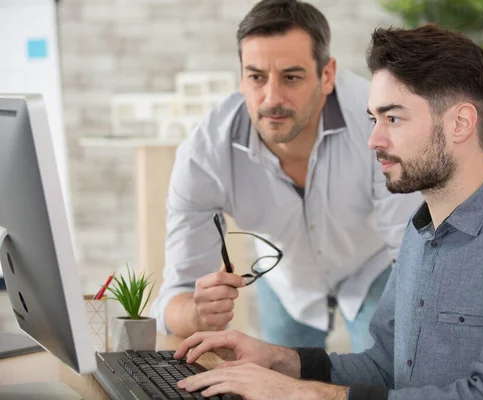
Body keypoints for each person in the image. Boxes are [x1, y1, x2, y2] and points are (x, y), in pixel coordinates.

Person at [170, 24, 483, 400]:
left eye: (392, 119)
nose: (373, 139)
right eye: (373, 118)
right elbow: (385, 367)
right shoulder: (422, 232)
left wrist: (303, 393)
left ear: (460, 123)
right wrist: (278, 360)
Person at [149, 0, 422, 352]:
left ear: (327, 75)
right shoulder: (204, 156)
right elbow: (176, 295)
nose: (272, 98)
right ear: (241, 77)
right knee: (286, 386)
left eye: (291, 77)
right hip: (286, 280)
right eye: (256, 77)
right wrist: (199, 314)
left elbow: (413, 253)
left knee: (383, 372)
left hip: (373, 269)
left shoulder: (379, 123)